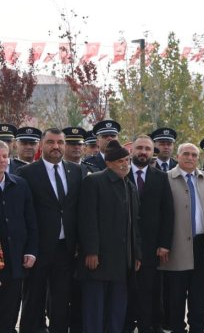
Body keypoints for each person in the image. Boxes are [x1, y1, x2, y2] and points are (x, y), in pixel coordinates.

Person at [18, 128, 84, 333]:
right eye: (51, 142)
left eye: (60, 142)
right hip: (37, 248)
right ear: (41, 145)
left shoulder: (77, 171)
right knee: (33, 299)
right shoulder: (26, 173)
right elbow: (23, 213)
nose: (56, 147)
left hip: (66, 248)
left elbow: (80, 210)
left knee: (61, 300)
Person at [78, 140, 142, 333]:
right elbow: (87, 219)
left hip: (123, 261)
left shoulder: (129, 186)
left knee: (117, 310)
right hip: (99, 260)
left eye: (127, 159)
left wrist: (136, 254)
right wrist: (91, 251)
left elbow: (135, 223)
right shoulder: (94, 181)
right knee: (95, 310)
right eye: (120, 160)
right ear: (108, 163)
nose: (125, 164)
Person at [161, 143, 204, 333]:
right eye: (185, 154)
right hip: (176, 245)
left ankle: (198, 327)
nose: (190, 158)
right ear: (178, 156)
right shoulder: (166, 179)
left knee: (199, 293)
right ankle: (177, 328)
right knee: (176, 294)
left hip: (202, 244)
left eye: (194, 155)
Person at [125, 136, 173, 333]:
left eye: (147, 148)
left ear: (153, 152)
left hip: (151, 245)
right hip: (124, 245)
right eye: (139, 148)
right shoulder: (121, 173)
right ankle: (125, 326)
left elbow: (168, 212)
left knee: (148, 290)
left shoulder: (161, 177)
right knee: (126, 290)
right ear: (131, 151)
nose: (143, 152)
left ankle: (147, 326)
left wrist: (164, 244)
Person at [0, 140, 38, 332]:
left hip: (14, 260)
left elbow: (31, 222)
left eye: (5, 156)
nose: (2, 161)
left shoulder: (20, 185)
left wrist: (31, 251)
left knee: (10, 313)